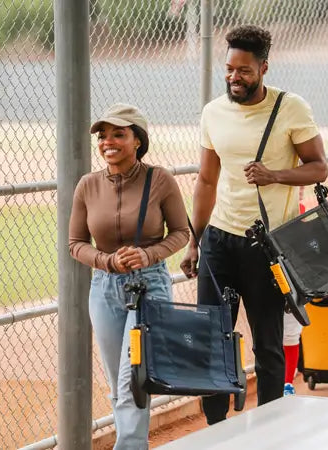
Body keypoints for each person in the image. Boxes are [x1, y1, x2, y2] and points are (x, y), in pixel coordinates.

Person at [180, 25, 328, 424]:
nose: (234, 77)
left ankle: (270, 430)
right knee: (213, 340)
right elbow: (207, 180)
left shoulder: (290, 108)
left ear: (264, 67)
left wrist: (275, 175)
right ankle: (215, 427)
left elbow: (319, 168)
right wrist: (195, 241)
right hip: (218, 241)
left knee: (268, 344)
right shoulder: (213, 112)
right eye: (229, 69)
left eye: (243, 70)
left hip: (266, 246)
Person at [68, 103, 191, 449]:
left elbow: (181, 232)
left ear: (138, 140)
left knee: (131, 381)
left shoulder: (160, 179)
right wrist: (107, 262)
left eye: (118, 134)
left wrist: (148, 254)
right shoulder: (87, 185)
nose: (108, 141)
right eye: (103, 135)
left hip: (149, 285)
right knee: (118, 381)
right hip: (104, 289)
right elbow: (75, 243)